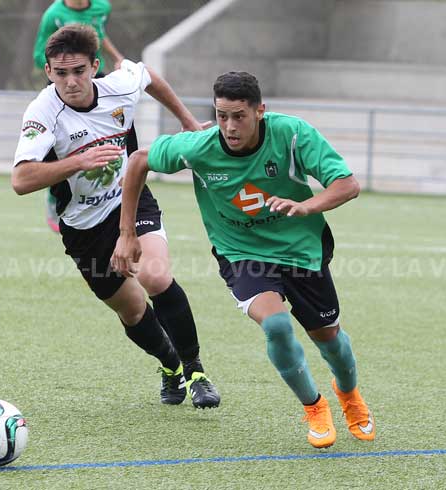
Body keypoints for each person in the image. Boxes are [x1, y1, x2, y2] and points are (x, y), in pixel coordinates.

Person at [112, 71, 375, 448]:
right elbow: (138, 161)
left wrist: (307, 206)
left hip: (302, 249)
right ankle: (314, 407)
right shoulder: (200, 146)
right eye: (221, 116)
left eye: (239, 116)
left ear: (259, 111)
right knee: (277, 326)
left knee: (330, 339)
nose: (229, 127)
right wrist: (127, 232)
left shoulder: (292, 134)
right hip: (241, 253)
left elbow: (347, 184)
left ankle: (349, 395)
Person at [12, 25, 220, 408]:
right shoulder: (43, 113)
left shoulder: (117, 87)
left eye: (79, 71)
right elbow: (21, 180)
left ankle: (195, 372)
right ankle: (170, 365)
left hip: (130, 199)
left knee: (155, 277)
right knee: (133, 309)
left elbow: (148, 75)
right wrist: (78, 161)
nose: (70, 81)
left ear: (95, 66)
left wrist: (188, 121)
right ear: (48, 71)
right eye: (61, 73)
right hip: (84, 228)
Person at [33, 0, 125, 233]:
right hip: (63, 86)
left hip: (95, 79)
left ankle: (115, 192)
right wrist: (65, 70)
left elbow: (99, 36)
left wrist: (117, 57)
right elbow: (38, 55)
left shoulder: (102, 7)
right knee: (59, 149)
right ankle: (55, 196)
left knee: (113, 136)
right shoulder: (53, 15)